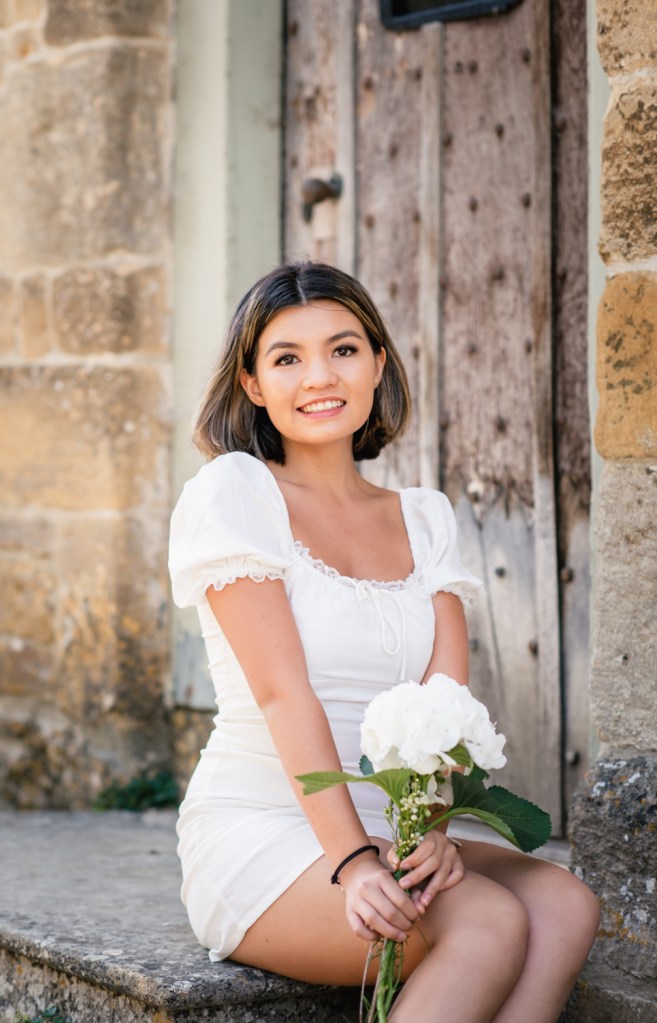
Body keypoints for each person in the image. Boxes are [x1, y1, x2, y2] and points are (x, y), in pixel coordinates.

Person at [169, 261, 599, 1022]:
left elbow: (446, 705)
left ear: (377, 362)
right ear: (252, 383)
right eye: (286, 357)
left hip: (388, 826)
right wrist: (352, 860)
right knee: (489, 919)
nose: (318, 376)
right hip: (265, 829)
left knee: (563, 903)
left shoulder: (425, 516)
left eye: (341, 348)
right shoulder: (235, 492)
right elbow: (282, 692)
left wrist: (429, 831)